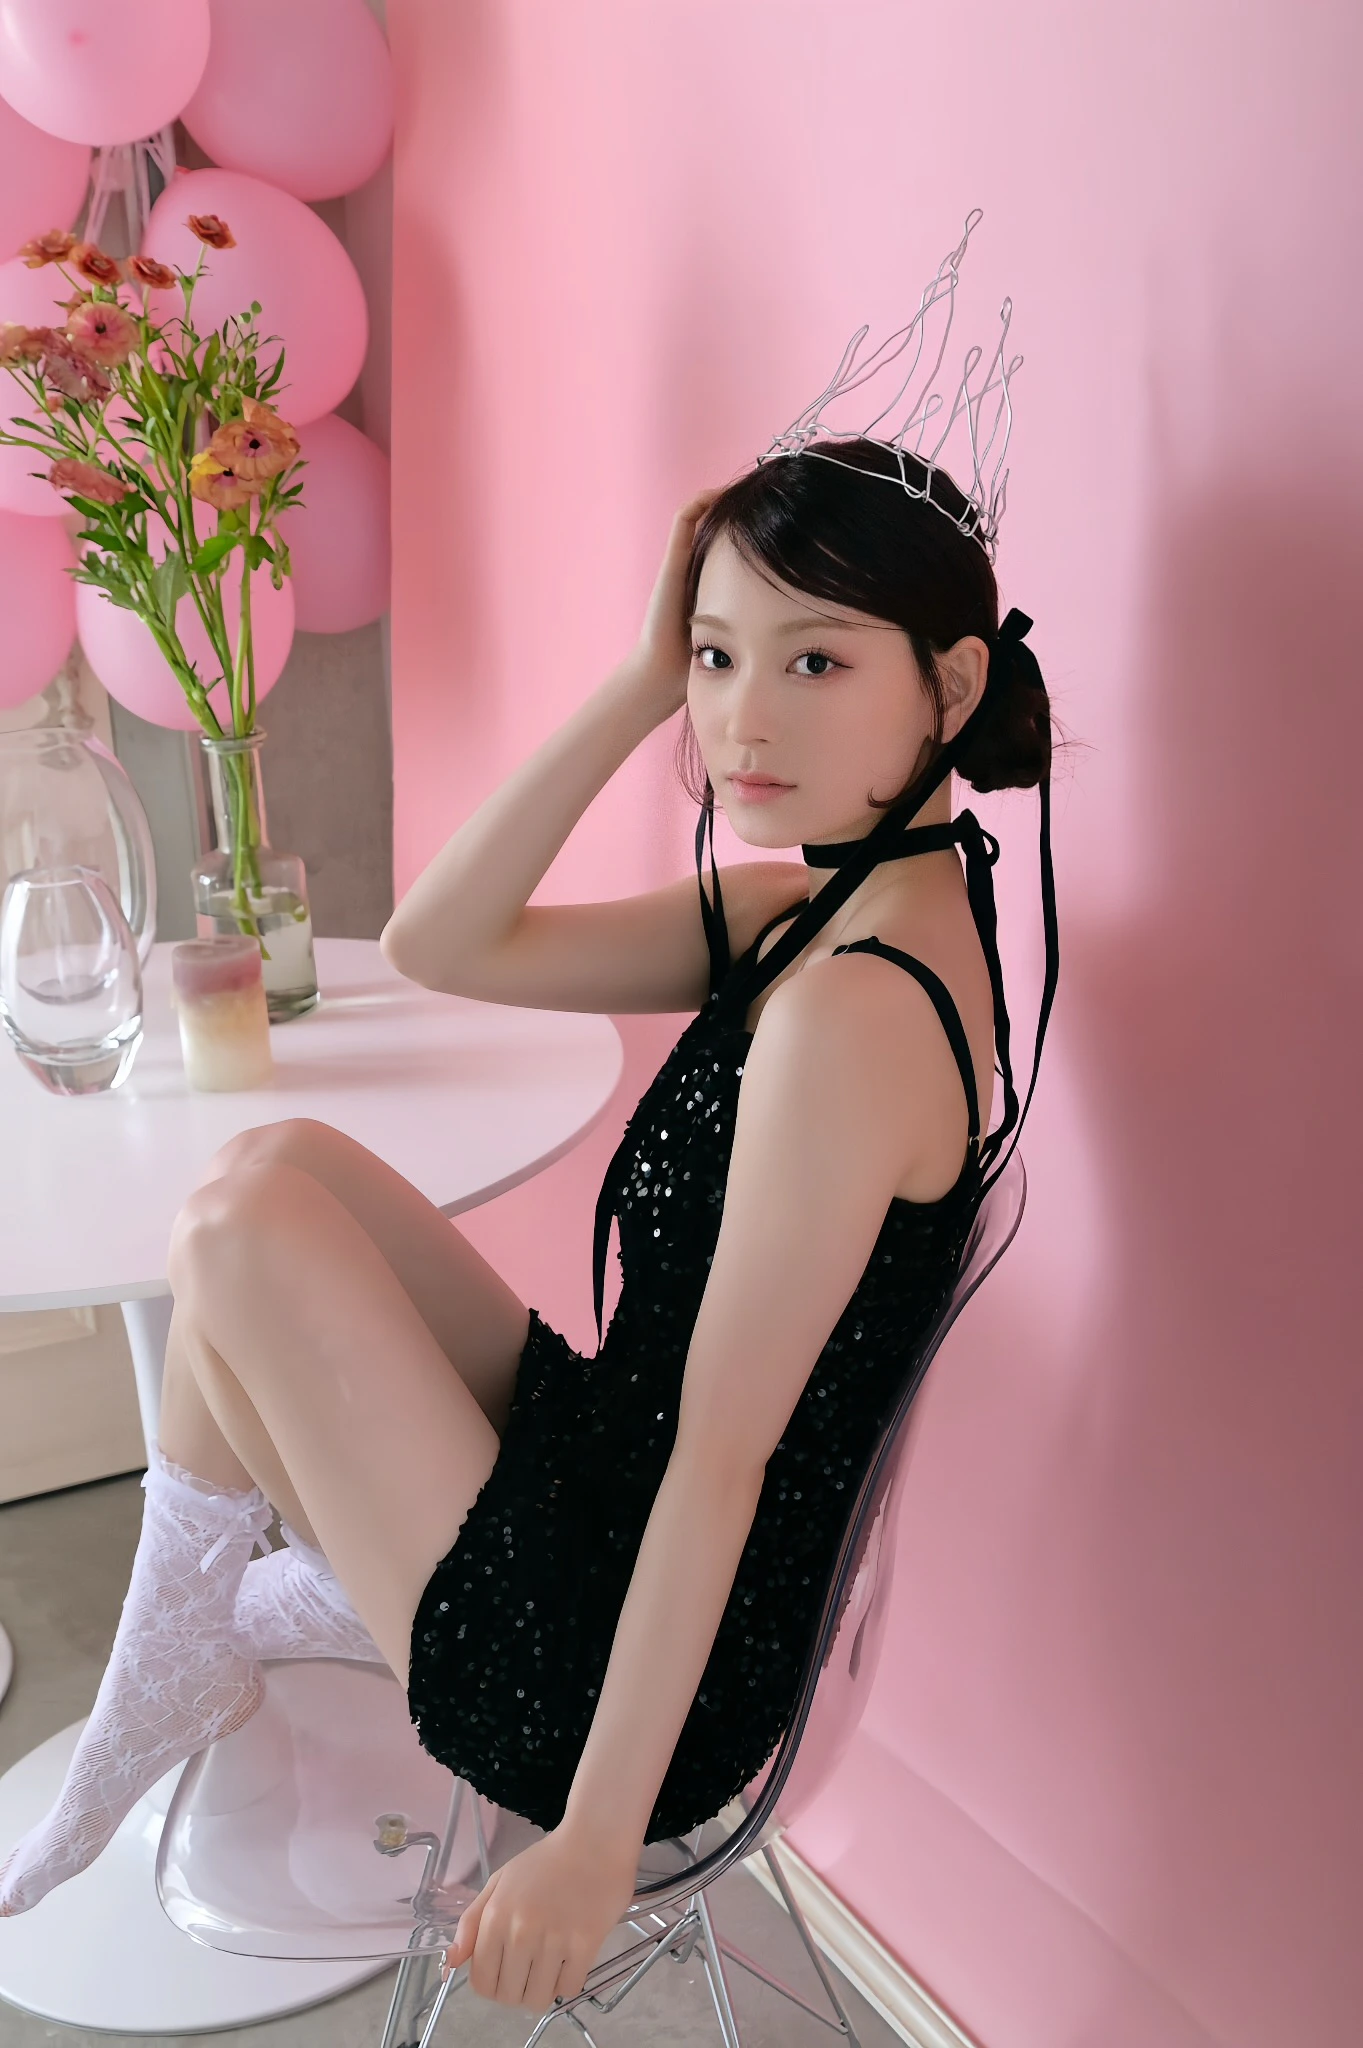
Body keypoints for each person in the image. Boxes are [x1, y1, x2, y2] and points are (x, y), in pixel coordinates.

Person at [0, 430, 1057, 2015]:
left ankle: (180, 1654)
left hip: (617, 1669)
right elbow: (444, 940)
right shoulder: (823, 907)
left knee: (236, 1242)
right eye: (715, 656)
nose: (741, 720)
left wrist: (591, 1845)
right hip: (605, 1473)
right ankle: (195, 1646)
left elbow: (725, 1462)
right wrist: (635, 683)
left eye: (817, 662)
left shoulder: (852, 1013)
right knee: (274, 1168)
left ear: (950, 686)